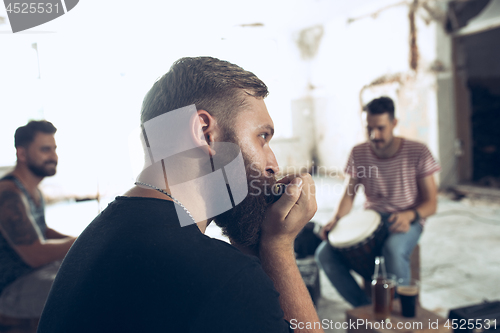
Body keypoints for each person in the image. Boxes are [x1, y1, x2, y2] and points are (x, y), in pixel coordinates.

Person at [38, 57, 323, 333]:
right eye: (262, 137)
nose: (273, 163)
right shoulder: (225, 278)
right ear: (203, 132)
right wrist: (278, 247)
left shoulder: (103, 234)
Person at [315, 96, 440, 307]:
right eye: (369, 129)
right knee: (324, 253)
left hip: (407, 218)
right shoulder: (359, 152)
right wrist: (335, 219)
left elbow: (432, 203)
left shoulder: (418, 152)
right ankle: (365, 308)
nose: (375, 135)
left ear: (394, 123)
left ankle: (401, 311)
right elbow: (349, 194)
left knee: (392, 249)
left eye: (381, 128)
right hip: (372, 218)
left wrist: (410, 215)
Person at [0, 120, 76, 320]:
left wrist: (87, 236)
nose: (53, 156)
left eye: (54, 149)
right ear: (22, 154)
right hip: (11, 288)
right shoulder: (8, 193)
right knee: (83, 290)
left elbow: (42, 231)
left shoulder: (34, 190)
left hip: (36, 274)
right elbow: (35, 254)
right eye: (45, 150)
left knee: (90, 268)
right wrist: (80, 242)